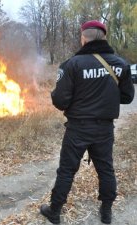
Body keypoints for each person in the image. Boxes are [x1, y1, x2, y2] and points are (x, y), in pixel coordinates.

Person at [40, 20, 135, 224]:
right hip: (104, 128)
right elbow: (127, 97)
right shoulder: (120, 64)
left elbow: (60, 100)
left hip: (78, 129)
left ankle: (54, 210)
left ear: (84, 38)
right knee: (106, 169)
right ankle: (106, 212)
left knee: (66, 170)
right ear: (104, 38)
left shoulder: (72, 64)